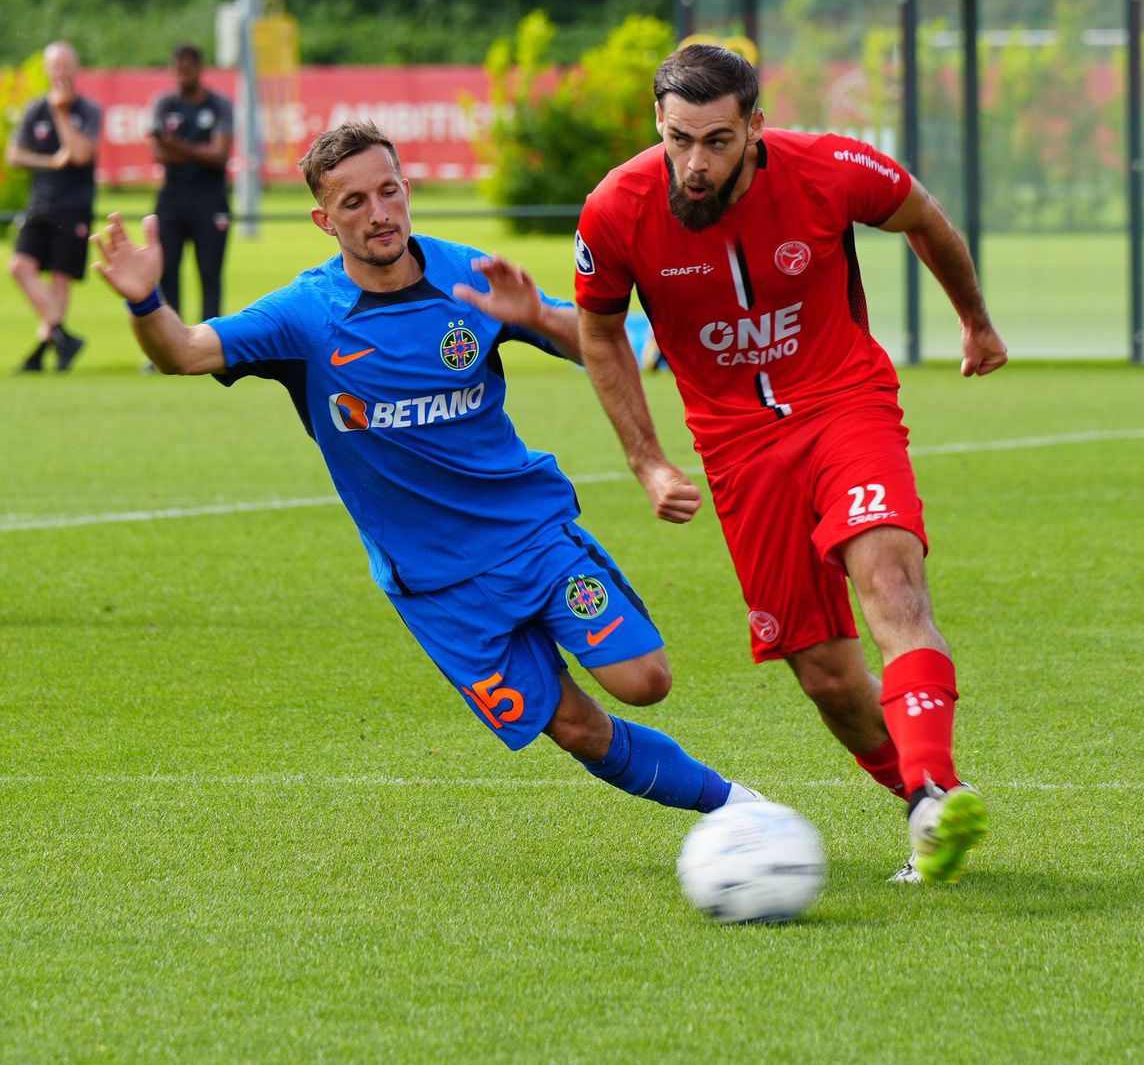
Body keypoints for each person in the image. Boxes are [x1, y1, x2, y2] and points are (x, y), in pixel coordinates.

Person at [91, 119, 761, 819]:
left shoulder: (466, 277)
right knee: (576, 728)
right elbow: (184, 350)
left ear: (407, 189)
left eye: (388, 191)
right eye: (354, 203)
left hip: (527, 534)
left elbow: (596, 337)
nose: (379, 213)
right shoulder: (305, 316)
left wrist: (534, 313)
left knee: (644, 679)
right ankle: (743, 811)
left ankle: (740, 814)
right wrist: (145, 300)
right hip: (436, 582)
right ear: (324, 219)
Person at [573, 44, 1009, 884]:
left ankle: (937, 793)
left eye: (718, 141)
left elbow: (923, 216)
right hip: (737, 447)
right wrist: (648, 460)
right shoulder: (615, 209)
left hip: (844, 401)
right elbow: (598, 328)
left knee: (892, 583)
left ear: (757, 129)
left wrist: (975, 322)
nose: (694, 164)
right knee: (827, 672)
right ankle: (924, 798)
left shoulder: (830, 168)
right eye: (678, 139)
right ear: (656, 125)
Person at [6, 41, 100, 372]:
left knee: (61, 280)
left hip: (74, 205)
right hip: (40, 203)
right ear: (47, 69)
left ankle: (43, 353)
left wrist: (61, 113)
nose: (59, 72)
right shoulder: (35, 109)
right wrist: (50, 161)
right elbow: (14, 155)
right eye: (54, 66)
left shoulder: (87, 110)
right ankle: (63, 337)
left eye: (65, 65)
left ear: (75, 68)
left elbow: (81, 155)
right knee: (19, 266)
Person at [148, 44, 234, 322]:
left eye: (188, 70)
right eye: (178, 71)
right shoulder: (165, 104)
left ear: (199, 68)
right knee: (167, 269)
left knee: (209, 272)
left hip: (210, 198)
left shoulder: (218, 104)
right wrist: (200, 150)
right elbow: (159, 152)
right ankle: (171, 339)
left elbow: (220, 156)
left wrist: (179, 146)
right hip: (172, 198)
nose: (183, 76)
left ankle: (210, 339)